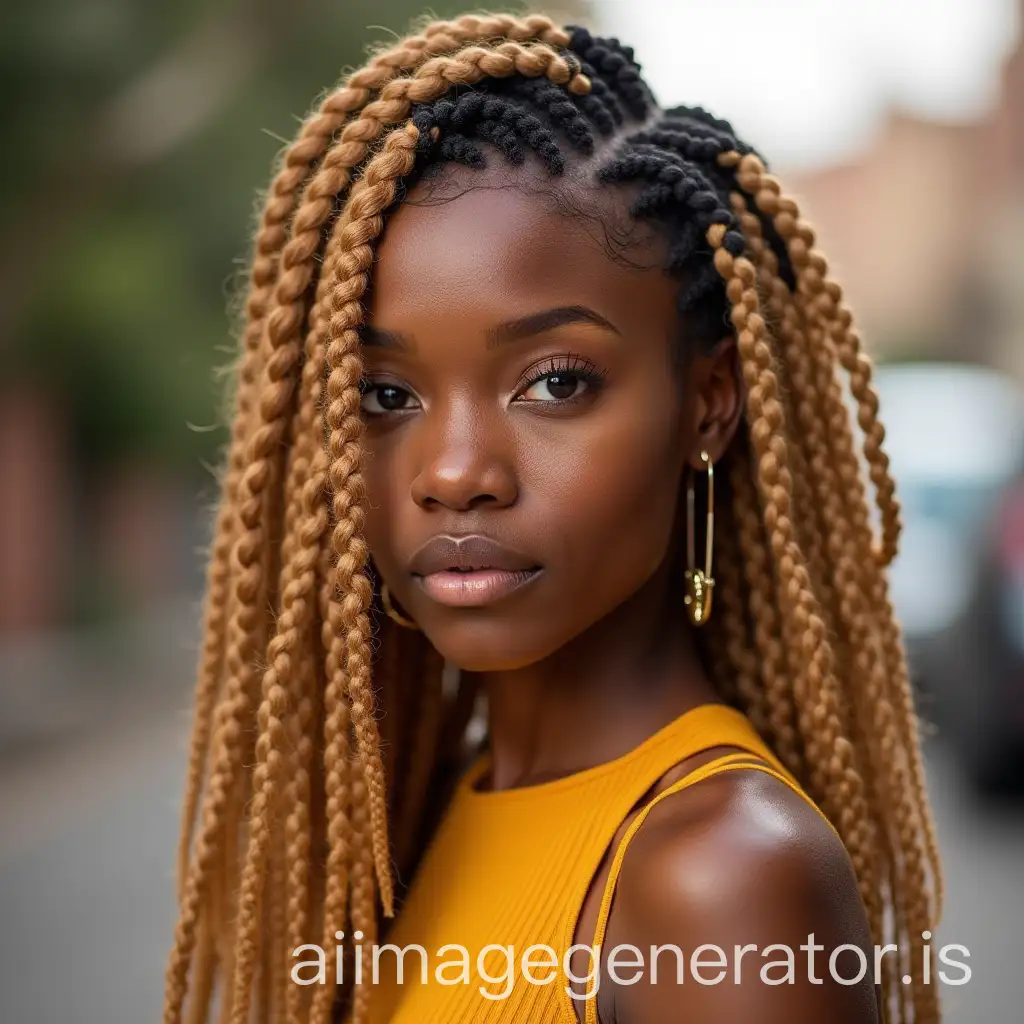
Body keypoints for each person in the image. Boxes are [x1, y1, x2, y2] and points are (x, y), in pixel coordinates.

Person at [164, 12, 944, 1024]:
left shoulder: (720, 880)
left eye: (555, 382)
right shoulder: (429, 812)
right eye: (385, 396)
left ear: (707, 403)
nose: (453, 473)